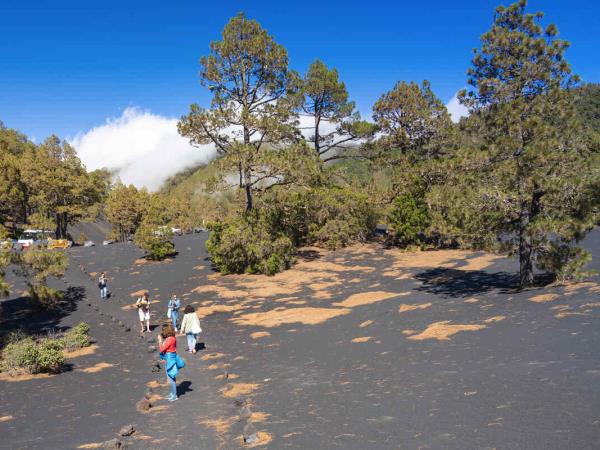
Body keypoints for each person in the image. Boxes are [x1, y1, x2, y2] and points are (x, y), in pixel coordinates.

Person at [158, 323, 185, 402]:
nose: (162, 332)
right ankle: (172, 393)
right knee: (171, 376)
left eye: (163, 330)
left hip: (170, 358)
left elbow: (162, 349)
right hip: (168, 357)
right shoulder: (172, 338)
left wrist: (160, 341)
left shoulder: (170, 339)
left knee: (171, 377)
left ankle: (174, 395)